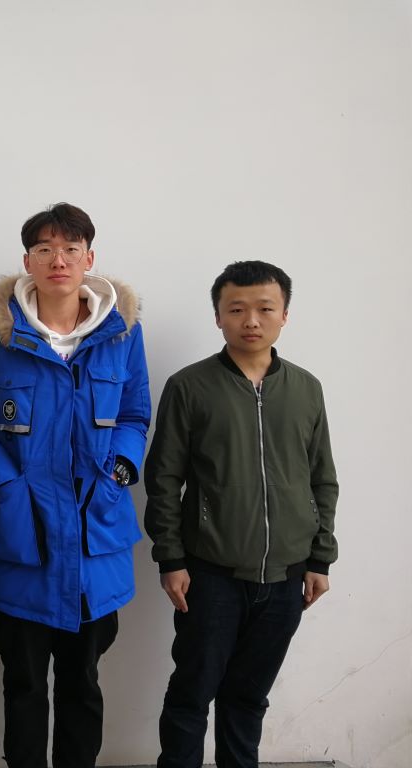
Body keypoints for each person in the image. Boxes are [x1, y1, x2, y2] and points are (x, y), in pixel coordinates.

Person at [0, 203, 151, 768]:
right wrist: (7, 489)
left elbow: (135, 415)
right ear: (28, 261)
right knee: (22, 685)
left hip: (96, 538)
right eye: (44, 249)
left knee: (82, 683)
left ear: (89, 258)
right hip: (22, 538)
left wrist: (119, 473)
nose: (58, 260)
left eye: (70, 249)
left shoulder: (122, 335)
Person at [144, 260, 338, 768]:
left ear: (284, 315)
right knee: (191, 695)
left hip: (286, 577)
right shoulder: (189, 386)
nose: (251, 320)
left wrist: (320, 558)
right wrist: (171, 558)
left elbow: (322, 479)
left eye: (265, 308)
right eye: (236, 309)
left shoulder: (306, 388)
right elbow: (163, 477)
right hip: (211, 575)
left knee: (248, 699)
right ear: (218, 317)